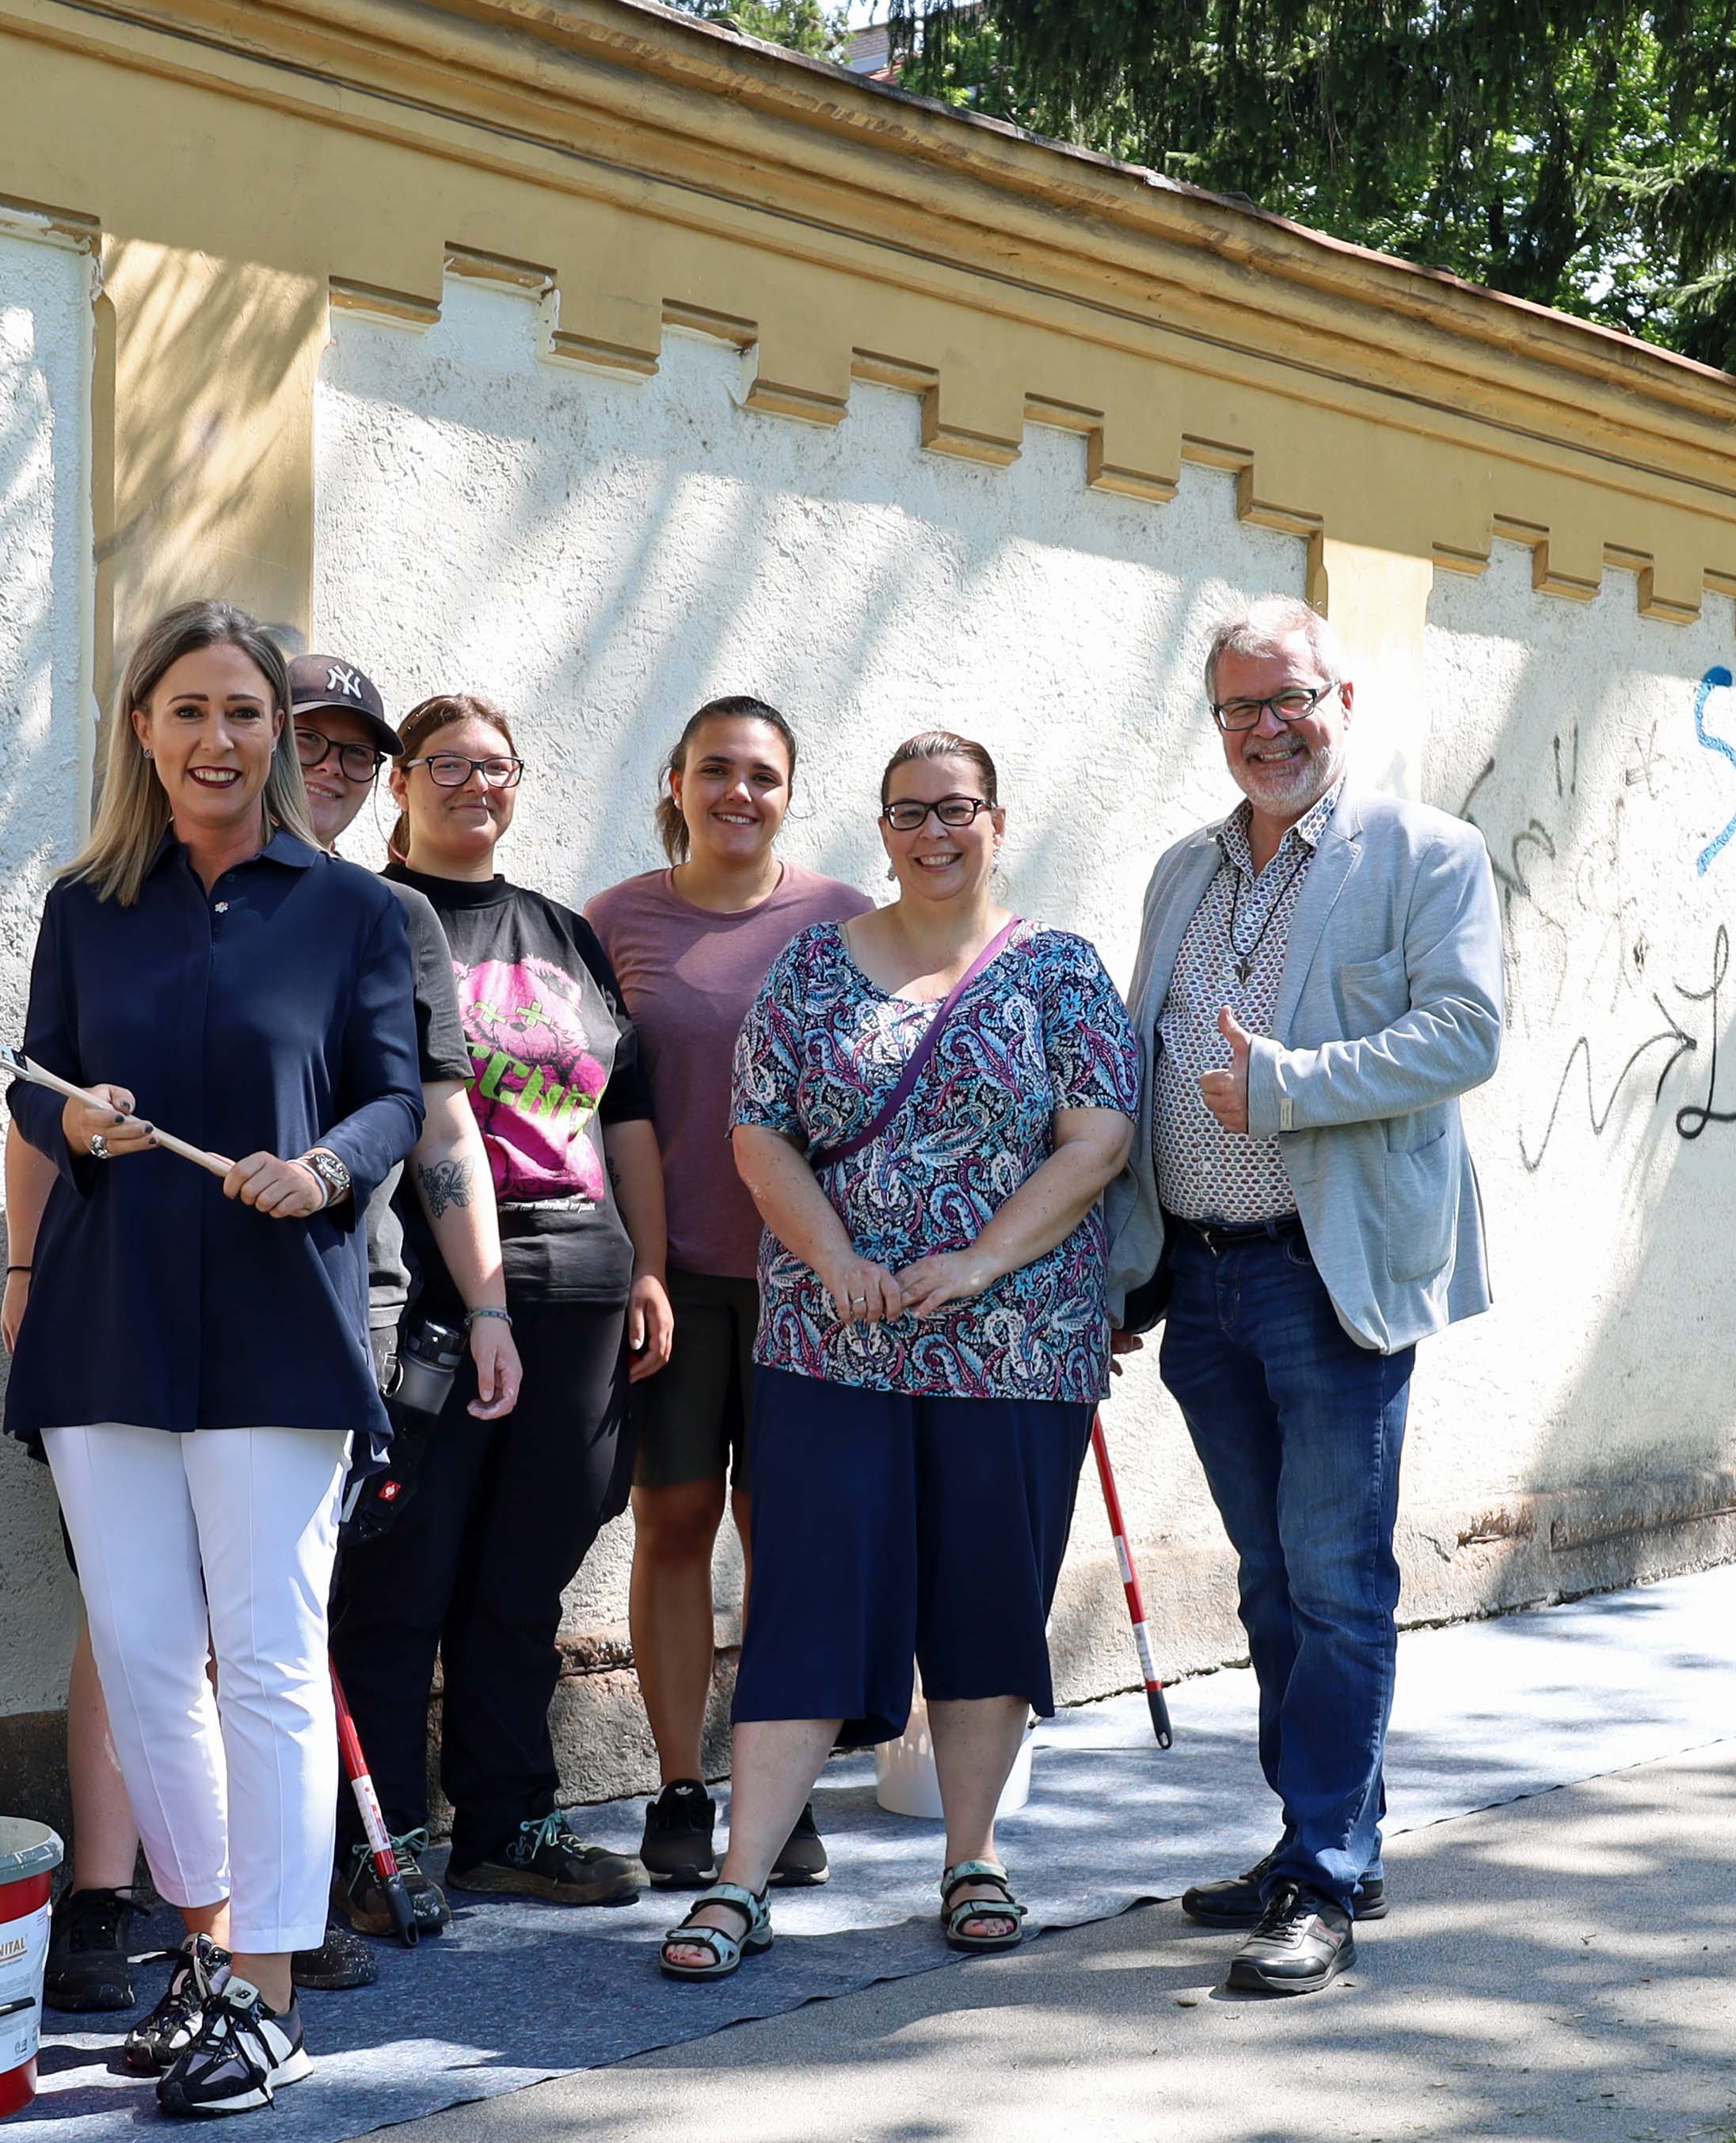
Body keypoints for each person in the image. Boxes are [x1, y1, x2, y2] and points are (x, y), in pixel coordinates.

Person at [1, 600, 423, 2119]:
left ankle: (273, 1993)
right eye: (189, 710)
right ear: (142, 730)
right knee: (137, 1653)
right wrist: (76, 1119)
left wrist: (323, 1171)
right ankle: (204, 1948)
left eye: (245, 712)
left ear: (281, 735)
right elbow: (32, 1081)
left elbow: (395, 1102)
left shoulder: (359, 913)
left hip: (279, 1321)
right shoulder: (84, 906)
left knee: (264, 1657)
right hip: (112, 1317)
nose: (219, 739)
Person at [674, 733, 1137, 1980]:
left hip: (1013, 1348)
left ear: (998, 818)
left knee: (986, 1602)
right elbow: (759, 1132)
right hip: (833, 1345)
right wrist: (832, 1261)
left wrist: (982, 1261)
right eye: (908, 813)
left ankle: (972, 1855)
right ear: (880, 830)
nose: (935, 833)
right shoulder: (813, 967)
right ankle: (739, 1881)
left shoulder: (1058, 972)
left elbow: (1096, 1140)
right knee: (805, 1600)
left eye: (958, 810)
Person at [1102, 598, 1504, 1996]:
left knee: (1337, 1584)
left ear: (1343, 697)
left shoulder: (1423, 853)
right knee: (1272, 1583)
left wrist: (1288, 1087)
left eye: (1290, 702)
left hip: (1327, 1272)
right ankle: (1324, 1836)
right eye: (1237, 709)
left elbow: (1467, 1033)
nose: (1266, 730)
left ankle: (1323, 1876)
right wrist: (1120, 1258)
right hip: (1203, 1282)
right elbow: (1141, 1062)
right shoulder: (1180, 874)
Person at [329, 692, 670, 1906]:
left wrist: (647, 1264)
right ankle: (383, 1843)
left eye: (498, 767)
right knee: (405, 1570)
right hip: (434, 1294)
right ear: (403, 783)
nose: (477, 786)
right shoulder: (372, 917)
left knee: (528, 1571)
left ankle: (505, 1823)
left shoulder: (562, 931)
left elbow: (625, 1113)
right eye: (449, 766)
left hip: (580, 1291)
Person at [586, 698, 870, 1896]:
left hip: (815, 1281)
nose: (738, 794)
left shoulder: (848, 919)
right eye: (717, 771)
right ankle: (678, 1786)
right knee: (676, 1524)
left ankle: (776, 1781)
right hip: (674, 1277)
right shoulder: (614, 922)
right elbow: (588, 1101)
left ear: (790, 793)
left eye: (762, 775)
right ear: (678, 780)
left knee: (788, 1536)